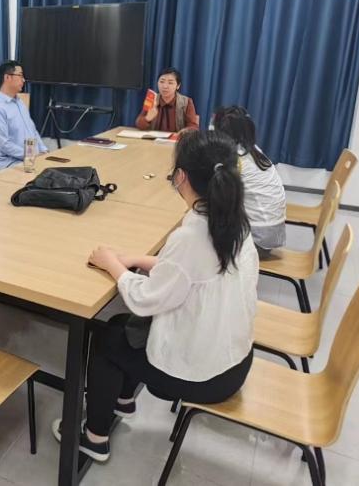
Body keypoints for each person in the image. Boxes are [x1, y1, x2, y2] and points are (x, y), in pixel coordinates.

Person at [61, 130, 257, 462]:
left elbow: (145, 299)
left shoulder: (192, 236)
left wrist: (112, 265)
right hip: (234, 359)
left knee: (109, 336)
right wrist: (136, 259)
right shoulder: (232, 220)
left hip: (205, 376)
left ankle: (94, 438)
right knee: (129, 329)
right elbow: (189, 274)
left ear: (181, 177)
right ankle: (122, 400)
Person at [212, 106, 286, 257]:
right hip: (273, 231)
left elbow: (221, 198)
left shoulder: (236, 160)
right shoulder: (252, 150)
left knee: (205, 227)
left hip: (258, 240)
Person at [0, 61, 47, 169]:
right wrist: (32, 155)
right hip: (12, 164)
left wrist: (44, 151)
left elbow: (33, 131)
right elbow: (4, 145)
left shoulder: (19, 102)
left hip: (32, 160)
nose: (23, 80)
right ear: (7, 77)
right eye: (20, 75)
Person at [135, 69, 199, 133]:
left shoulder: (186, 102)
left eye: (170, 83)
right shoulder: (152, 99)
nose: (165, 86)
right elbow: (139, 124)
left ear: (178, 86)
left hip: (177, 138)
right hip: (153, 138)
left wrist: (184, 132)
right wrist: (147, 118)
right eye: (162, 82)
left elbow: (193, 126)